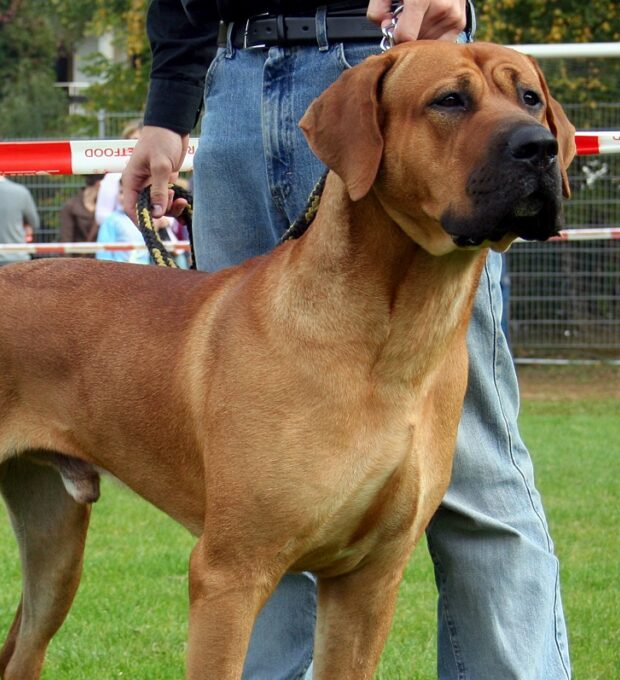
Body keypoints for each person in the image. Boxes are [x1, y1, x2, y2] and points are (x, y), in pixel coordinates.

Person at [122, 1, 572, 679]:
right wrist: (168, 106)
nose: (529, 132)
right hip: (235, 84)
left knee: (475, 476)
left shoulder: (458, 94)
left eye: (531, 107)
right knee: (259, 497)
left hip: (391, 60)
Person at [96, 179, 150, 265]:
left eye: (128, 193)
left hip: (144, 271)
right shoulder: (111, 220)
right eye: (121, 192)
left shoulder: (145, 218)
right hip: (120, 272)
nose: (123, 197)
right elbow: (103, 254)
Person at [58, 173, 103, 254]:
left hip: (102, 261)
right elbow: (66, 242)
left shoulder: (108, 207)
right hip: (77, 262)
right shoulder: (70, 207)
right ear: (99, 184)